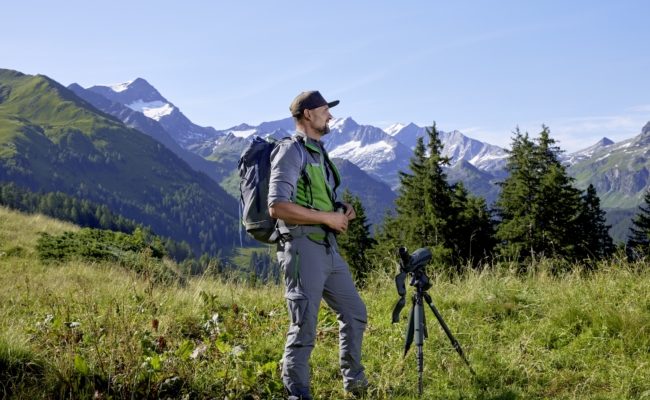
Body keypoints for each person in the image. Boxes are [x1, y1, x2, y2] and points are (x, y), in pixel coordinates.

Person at [268, 91, 368, 399]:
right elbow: (277, 206)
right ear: (308, 114)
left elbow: (317, 199)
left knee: (355, 313)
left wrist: (341, 209)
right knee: (304, 326)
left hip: (327, 249)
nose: (331, 116)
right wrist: (326, 218)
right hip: (301, 249)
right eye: (326, 110)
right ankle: (297, 392)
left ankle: (356, 385)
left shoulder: (317, 152)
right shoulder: (290, 152)